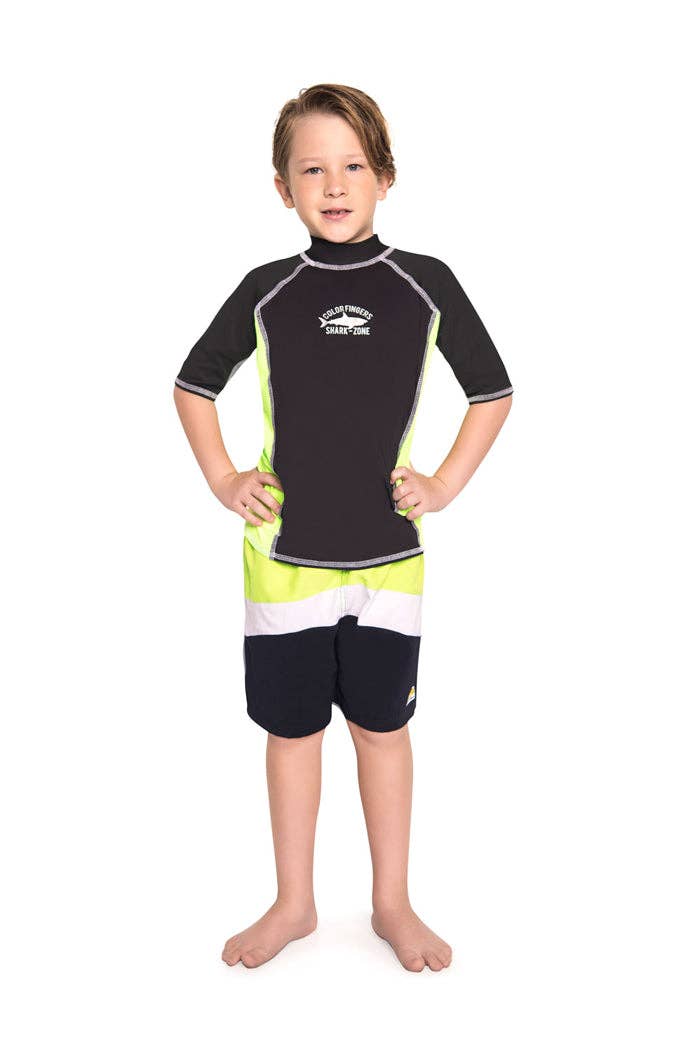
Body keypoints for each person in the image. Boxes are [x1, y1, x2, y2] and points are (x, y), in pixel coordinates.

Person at [173, 83, 513, 973]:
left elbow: (492, 392)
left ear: (386, 177)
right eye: (312, 168)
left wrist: (443, 482)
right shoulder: (268, 290)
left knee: (381, 729)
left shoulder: (424, 283)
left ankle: (392, 901)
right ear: (281, 186)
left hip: (388, 559)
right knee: (291, 734)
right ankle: (294, 902)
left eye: (354, 165)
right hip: (283, 557)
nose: (333, 184)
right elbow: (193, 385)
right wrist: (224, 477)